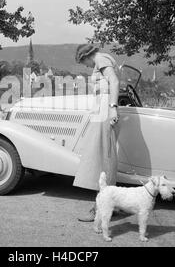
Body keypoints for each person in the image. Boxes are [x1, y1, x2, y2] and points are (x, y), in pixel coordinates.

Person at [73, 44, 120, 222]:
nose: (85, 66)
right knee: (105, 158)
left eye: (83, 62)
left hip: (105, 109)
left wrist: (112, 108)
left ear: (86, 56)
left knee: (100, 159)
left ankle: (101, 208)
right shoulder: (105, 59)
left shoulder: (100, 59)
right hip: (103, 108)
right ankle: (110, 204)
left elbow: (114, 82)